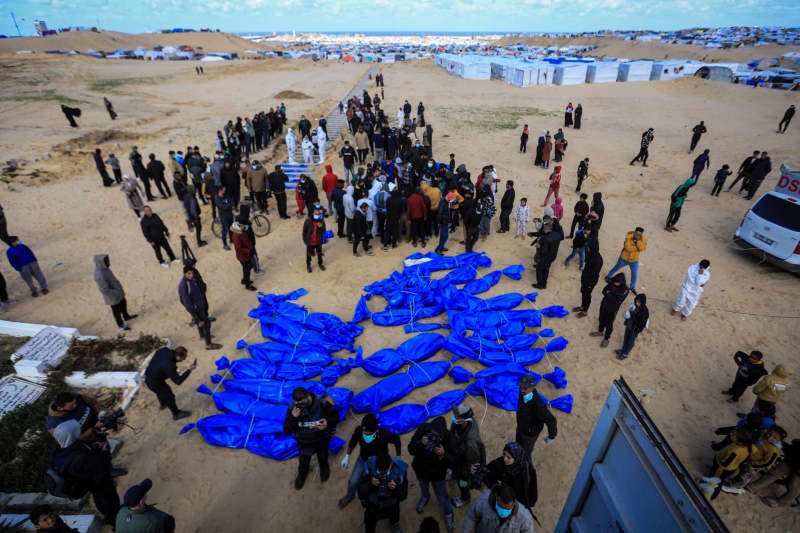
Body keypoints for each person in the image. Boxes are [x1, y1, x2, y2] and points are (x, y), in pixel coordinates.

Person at [50, 420, 120, 526]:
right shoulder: (81, 459)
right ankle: (115, 522)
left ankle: (106, 513)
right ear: (72, 435)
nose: (81, 432)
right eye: (77, 431)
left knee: (98, 497)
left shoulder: (58, 450)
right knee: (110, 501)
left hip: (85, 482)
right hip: (98, 482)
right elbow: (102, 470)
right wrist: (104, 451)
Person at [339, 413, 402, 510]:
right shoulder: (359, 431)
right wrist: (347, 456)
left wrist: (398, 456)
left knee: (380, 482)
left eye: (369, 434)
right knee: (353, 481)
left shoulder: (384, 434)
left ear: (376, 431)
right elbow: (353, 441)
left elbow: (397, 440)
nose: (366, 436)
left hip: (379, 463)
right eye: (365, 433)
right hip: (363, 459)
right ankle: (349, 496)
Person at [284, 387, 338, 489]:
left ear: (308, 396)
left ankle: (324, 468)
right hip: (303, 442)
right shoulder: (293, 408)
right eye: (296, 403)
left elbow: (335, 417)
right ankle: (302, 474)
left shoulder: (322, 403)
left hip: (321, 439)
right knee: (303, 462)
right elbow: (287, 430)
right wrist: (293, 417)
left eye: (301, 402)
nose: (299, 405)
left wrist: (327, 422)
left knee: (323, 457)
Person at [408, 416, 456, 532]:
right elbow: (411, 449)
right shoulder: (423, 429)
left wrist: (443, 454)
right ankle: (425, 497)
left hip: (437, 475)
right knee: (423, 487)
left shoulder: (450, 438)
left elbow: (454, 462)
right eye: (432, 434)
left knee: (442, 496)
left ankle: (449, 514)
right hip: (421, 470)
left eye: (437, 436)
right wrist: (421, 443)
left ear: (443, 434)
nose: (434, 437)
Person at [358, 452, 408, 533]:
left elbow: (403, 495)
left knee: (394, 516)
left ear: (391, 464)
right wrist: (370, 483)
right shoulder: (369, 465)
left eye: (384, 472)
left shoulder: (400, 470)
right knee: (370, 523)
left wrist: (395, 488)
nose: (380, 474)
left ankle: (394, 524)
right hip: (373, 506)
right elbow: (361, 491)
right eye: (378, 471)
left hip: (392, 505)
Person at [144, 346, 197, 420]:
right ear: (178, 357)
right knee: (169, 396)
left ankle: (163, 404)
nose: (184, 359)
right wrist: (189, 370)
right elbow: (178, 381)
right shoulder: (169, 366)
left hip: (149, 375)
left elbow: (158, 355)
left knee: (161, 391)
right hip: (154, 382)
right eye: (183, 357)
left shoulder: (165, 350)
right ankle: (176, 414)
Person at [449, 404, 485, 510]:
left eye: (456, 417)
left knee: (463, 482)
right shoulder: (464, 422)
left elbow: (472, 465)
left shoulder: (471, 442)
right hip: (459, 455)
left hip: (466, 464)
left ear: (464, 420)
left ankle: (465, 498)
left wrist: (465, 473)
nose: (454, 418)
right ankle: (454, 474)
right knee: (456, 470)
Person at [177, 267, 222, 350]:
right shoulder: (183, 285)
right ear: (184, 274)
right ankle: (208, 344)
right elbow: (186, 302)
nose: (191, 275)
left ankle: (202, 335)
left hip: (200, 305)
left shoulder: (192, 279)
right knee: (207, 323)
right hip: (196, 309)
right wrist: (194, 314)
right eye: (189, 273)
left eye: (192, 273)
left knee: (200, 323)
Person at [484, 442, 538, 510]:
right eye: (504, 454)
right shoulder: (501, 462)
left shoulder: (527, 471)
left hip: (519, 502)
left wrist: (529, 504)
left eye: (508, 457)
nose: (504, 459)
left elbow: (532, 489)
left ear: (516, 458)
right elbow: (488, 471)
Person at [749, 437, 800, 507]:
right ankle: (753, 487)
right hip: (792, 460)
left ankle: (779, 502)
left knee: (794, 488)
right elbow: (791, 446)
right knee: (774, 473)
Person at [462, 484, 535, 533]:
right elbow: (471, 516)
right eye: (501, 507)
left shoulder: (524, 517)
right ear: (497, 497)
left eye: (507, 508)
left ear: (514, 502)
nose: (503, 512)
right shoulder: (483, 502)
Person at [515, 374, 557, 459]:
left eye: (525, 388)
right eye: (521, 387)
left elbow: (551, 420)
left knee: (525, 456)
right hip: (521, 427)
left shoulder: (538, 405)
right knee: (518, 445)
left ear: (532, 387)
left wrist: (551, 436)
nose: (522, 390)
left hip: (530, 434)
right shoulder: (522, 394)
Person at [93, 254, 138, 331]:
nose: (108, 261)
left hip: (117, 292)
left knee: (123, 303)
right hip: (112, 297)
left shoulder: (105, 268)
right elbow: (104, 290)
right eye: (106, 260)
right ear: (101, 262)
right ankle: (121, 325)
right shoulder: (99, 274)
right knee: (116, 311)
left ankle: (126, 316)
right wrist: (116, 293)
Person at [592, 273, 629, 348]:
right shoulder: (612, 283)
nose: (615, 283)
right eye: (614, 281)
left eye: (617, 282)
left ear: (621, 282)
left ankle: (606, 338)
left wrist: (609, 294)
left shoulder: (625, 290)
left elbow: (618, 301)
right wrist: (613, 295)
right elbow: (604, 291)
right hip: (604, 305)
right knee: (601, 319)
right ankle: (600, 331)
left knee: (609, 324)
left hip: (612, 310)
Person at [605, 227, 646, 293]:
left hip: (634, 260)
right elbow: (627, 248)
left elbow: (643, 248)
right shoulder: (628, 237)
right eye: (636, 234)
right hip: (624, 258)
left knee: (634, 273)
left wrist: (637, 242)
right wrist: (637, 248)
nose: (637, 236)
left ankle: (632, 287)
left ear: (641, 234)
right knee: (617, 267)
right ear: (634, 232)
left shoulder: (643, 239)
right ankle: (608, 276)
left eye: (639, 235)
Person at [574, 238, 603, 318]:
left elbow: (594, 274)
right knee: (583, 292)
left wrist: (589, 284)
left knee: (587, 295)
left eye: (588, 247)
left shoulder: (598, 260)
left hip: (590, 281)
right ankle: (582, 306)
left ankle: (585, 311)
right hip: (585, 277)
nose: (587, 248)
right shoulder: (590, 253)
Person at [615, 293, 649, 360]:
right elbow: (630, 316)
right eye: (636, 301)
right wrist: (627, 320)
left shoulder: (645, 312)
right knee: (625, 338)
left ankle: (625, 354)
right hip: (629, 325)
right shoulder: (635, 306)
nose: (637, 303)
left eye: (639, 302)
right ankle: (623, 350)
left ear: (643, 302)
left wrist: (632, 313)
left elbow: (640, 322)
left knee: (630, 342)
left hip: (635, 329)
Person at [531, 223, 562, 290]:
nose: (543, 230)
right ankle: (544, 284)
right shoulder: (557, 235)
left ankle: (540, 284)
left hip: (544, 257)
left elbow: (543, 251)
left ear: (547, 229)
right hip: (553, 256)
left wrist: (538, 246)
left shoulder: (545, 238)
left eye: (544, 228)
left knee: (539, 269)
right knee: (546, 269)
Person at [230, 221, 257, 290]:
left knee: (248, 267)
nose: (241, 226)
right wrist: (248, 251)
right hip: (244, 256)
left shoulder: (240, 232)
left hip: (246, 255)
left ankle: (244, 280)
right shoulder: (237, 236)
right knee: (247, 269)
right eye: (239, 226)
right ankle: (247, 285)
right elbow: (238, 249)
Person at [302, 206, 327, 273]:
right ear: (312, 212)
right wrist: (305, 240)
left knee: (319, 254)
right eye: (316, 211)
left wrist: (321, 227)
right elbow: (304, 231)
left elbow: (324, 231)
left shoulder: (322, 221)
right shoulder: (308, 221)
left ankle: (320, 264)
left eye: (318, 211)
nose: (317, 212)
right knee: (309, 254)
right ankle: (308, 265)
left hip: (318, 242)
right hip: (310, 242)